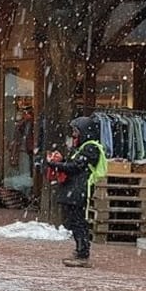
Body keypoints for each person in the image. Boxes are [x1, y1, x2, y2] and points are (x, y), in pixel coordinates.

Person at [46, 115, 106, 268]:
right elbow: (73, 164)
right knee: (73, 221)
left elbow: (76, 167)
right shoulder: (82, 147)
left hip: (79, 190)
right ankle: (80, 250)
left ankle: (82, 254)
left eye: (76, 131)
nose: (74, 135)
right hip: (73, 189)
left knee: (78, 222)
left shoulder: (91, 147)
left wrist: (55, 165)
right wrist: (60, 161)